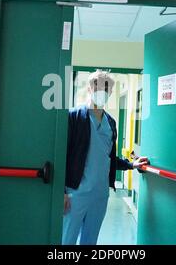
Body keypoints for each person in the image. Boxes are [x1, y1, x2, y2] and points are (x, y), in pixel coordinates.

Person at [62, 70, 149, 245]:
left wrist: (132, 164)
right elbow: (63, 154)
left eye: (106, 88)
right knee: (67, 240)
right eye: (98, 86)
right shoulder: (74, 117)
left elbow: (108, 158)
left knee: (90, 241)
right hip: (75, 193)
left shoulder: (111, 123)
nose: (102, 91)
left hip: (100, 194)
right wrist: (62, 191)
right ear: (89, 88)